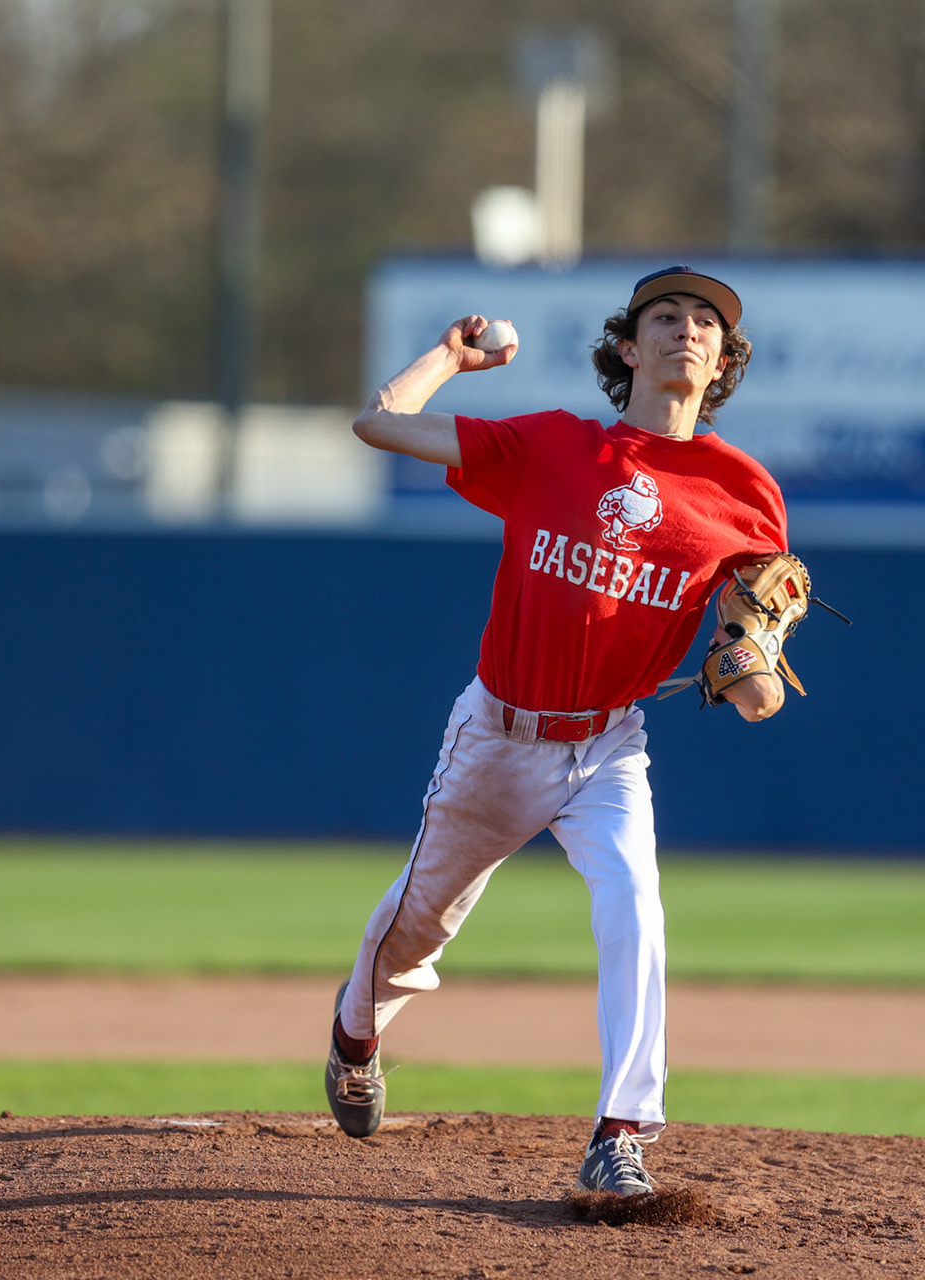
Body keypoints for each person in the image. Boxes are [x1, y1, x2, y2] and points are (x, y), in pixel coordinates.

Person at [325, 266, 791, 1197]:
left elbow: (760, 665)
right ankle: (355, 1030)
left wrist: (755, 672)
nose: (686, 330)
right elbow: (378, 423)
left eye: (707, 323)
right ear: (628, 346)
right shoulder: (548, 447)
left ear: (724, 361)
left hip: (610, 746)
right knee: (418, 927)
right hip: (498, 736)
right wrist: (450, 360)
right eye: (666, 316)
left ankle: (621, 1132)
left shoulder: (744, 493)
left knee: (635, 908)